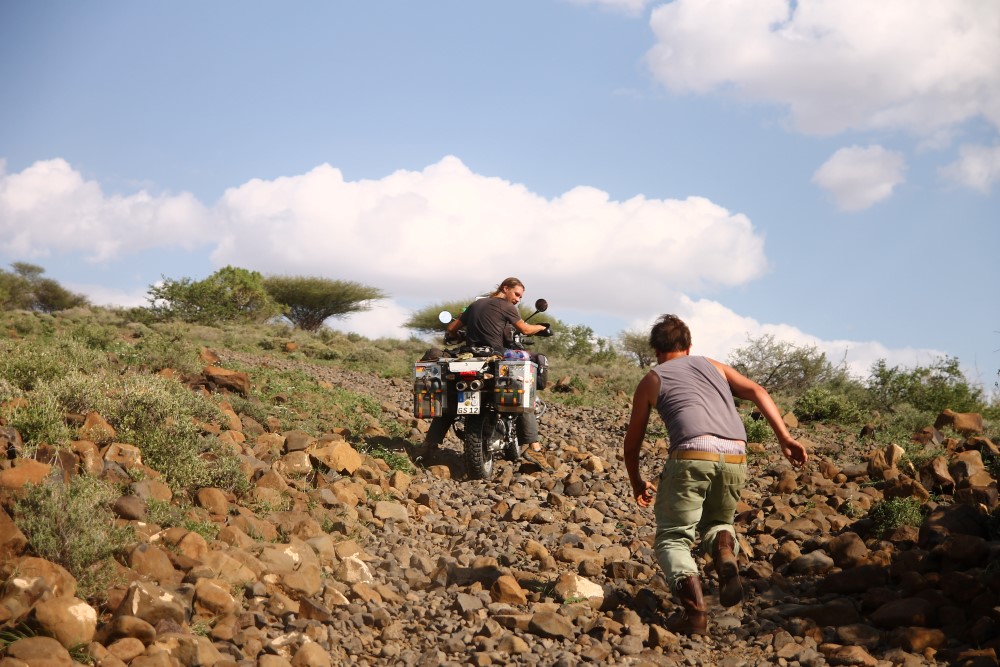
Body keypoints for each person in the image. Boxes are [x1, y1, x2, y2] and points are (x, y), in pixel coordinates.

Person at [623, 314, 807, 636]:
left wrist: (637, 480)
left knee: (672, 536)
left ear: (655, 350)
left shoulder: (653, 379)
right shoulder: (713, 365)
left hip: (692, 453)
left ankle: (695, 615)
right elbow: (757, 391)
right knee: (719, 522)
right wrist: (785, 438)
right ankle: (723, 549)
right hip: (736, 454)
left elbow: (633, 439)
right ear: (689, 345)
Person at [419, 278, 552, 469]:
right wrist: (542, 327)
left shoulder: (475, 305)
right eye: (516, 294)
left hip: (469, 357)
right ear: (505, 289)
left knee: (450, 403)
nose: (517, 300)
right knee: (521, 391)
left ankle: (427, 446)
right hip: (494, 356)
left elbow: (451, 329)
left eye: (520, 297)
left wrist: (459, 336)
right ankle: (534, 447)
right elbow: (524, 329)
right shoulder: (505, 306)